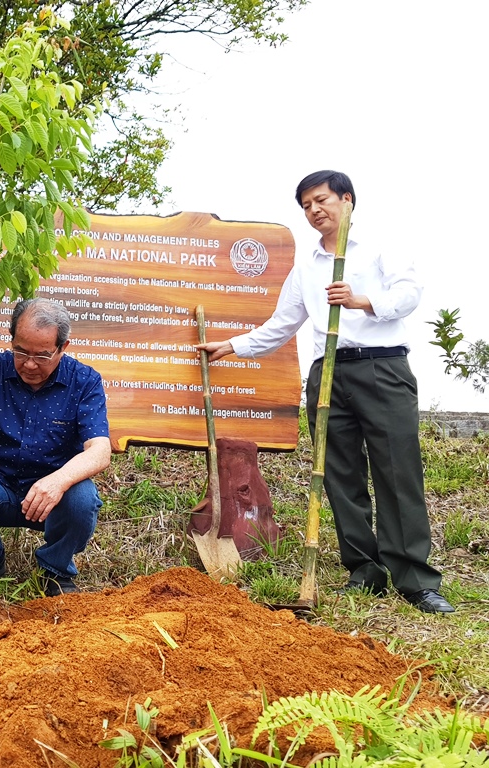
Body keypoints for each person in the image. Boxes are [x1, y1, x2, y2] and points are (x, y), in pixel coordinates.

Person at [196, 170, 454, 614]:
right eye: (306, 206)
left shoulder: (379, 248)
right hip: (327, 375)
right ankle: (365, 571)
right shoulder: (307, 267)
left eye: (321, 200)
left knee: (398, 471)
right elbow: (282, 324)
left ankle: (415, 579)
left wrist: (361, 301)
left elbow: (409, 294)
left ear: (346, 200)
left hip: (382, 367)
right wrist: (232, 346)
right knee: (338, 473)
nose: (314, 210)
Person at [0, 298, 111, 596]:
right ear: (12, 338)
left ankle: (54, 571)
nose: (29, 364)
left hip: (55, 492)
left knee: (82, 500)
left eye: (42, 356)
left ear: (62, 348)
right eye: (21, 351)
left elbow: (100, 451)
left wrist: (58, 482)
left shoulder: (84, 381)